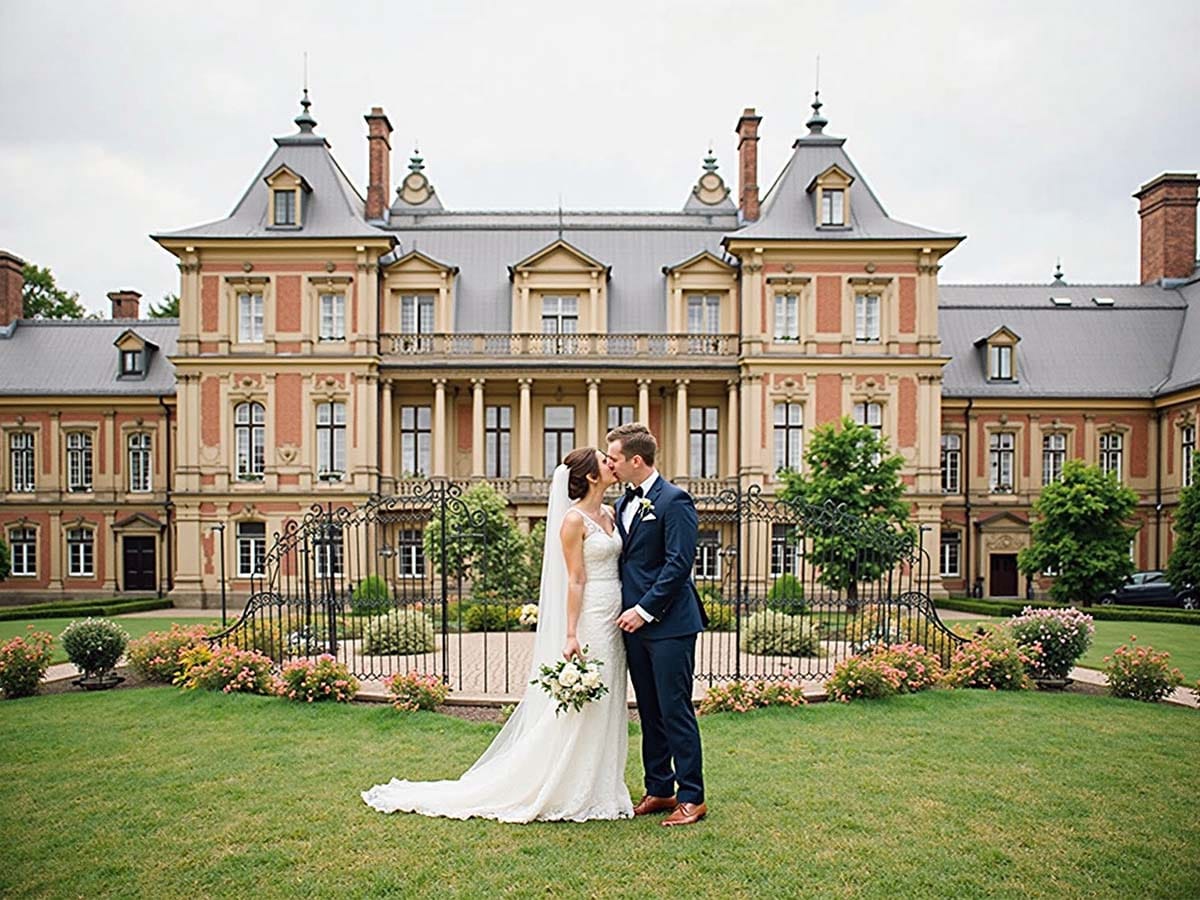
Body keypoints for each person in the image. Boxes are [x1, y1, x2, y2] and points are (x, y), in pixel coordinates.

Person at [361, 448, 634, 823]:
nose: (612, 464)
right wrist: (570, 632)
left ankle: (603, 785)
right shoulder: (573, 520)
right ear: (590, 476)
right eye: (605, 460)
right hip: (590, 617)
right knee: (586, 702)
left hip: (615, 614)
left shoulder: (610, 514)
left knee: (609, 698)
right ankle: (568, 785)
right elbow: (575, 578)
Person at [607, 422, 709, 827]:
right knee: (649, 710)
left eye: (613, 458)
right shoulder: (621, 504)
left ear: (635, 460)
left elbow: (678, 565)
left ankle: (692, 797)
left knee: (675, 709)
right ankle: (660, 788)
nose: (609, 465)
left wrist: (644, 610)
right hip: (633, 628)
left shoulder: (675, 501)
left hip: (669, 625)